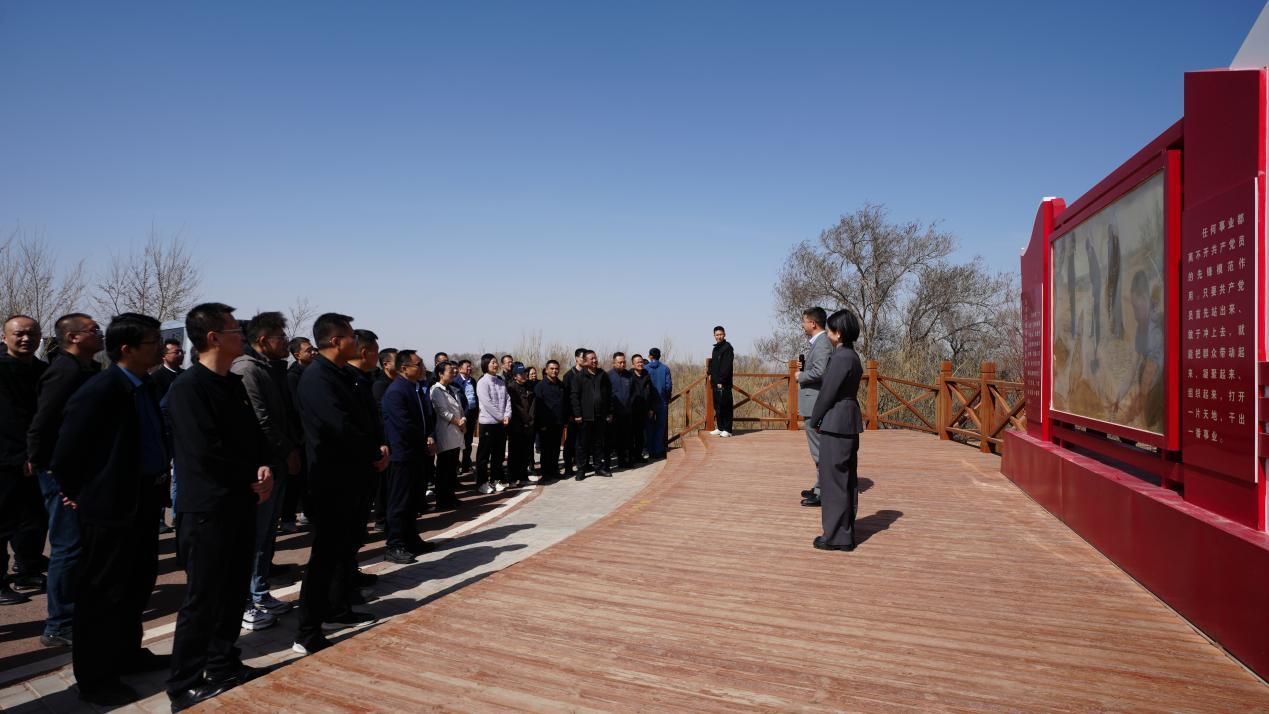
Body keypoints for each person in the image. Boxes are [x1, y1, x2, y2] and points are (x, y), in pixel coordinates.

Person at [51, 313, 168, 706]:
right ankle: (96, 678)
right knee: (102, 594)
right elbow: (66, 452)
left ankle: (126, 655)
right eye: (152, 341)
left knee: (136, 584)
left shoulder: (145, 384)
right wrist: (80, 493)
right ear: (127, 349)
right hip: (111, 506)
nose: (160, 346)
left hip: (143, 500)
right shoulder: (100, 390)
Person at [166, 303, 274, 710]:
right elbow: (204, 452)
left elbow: (253, 438)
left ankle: (223, 664)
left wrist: (263, 466)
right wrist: (249, 474)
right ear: (213, 337)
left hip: (240, 501)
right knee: (203, 599)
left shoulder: (232, 383)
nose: (241, 335)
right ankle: (184, 684)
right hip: (207, 509)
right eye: (234, 330)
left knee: (232, 593)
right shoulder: (188, 388)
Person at [292, 314, 384, 656]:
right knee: (325, 557)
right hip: (331, 479)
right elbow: (339, 426)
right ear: (335, 341)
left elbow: (363, 419)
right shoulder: (318, 377)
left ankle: (337, 609)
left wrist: (376, 449)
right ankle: (308, 631)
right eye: (350, 337)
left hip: (353, 475)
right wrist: (373, 451)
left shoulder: (342, 374)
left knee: (344, 551)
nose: (355, 343)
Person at [27, 313, 103, 645]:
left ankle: (76, 612)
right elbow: (43, 421)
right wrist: (46, 466)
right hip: (61, 471)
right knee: (67, 546)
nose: (100, 334)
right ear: (72, 337)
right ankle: (58, 624)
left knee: (80, 544)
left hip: (81, 470)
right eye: (93, 330)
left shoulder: (86, 369)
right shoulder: (64, 371)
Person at [230, 312, 301, 632]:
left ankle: (260, 592)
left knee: (266, 537)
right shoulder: (246, 370)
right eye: (280, 338)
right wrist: (286, 450)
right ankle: (245, 600)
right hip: (263, 466)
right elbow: (262, 420)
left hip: (277, 464)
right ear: (262, 341)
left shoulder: (269, 369)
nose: (285, 343)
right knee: (253, 538)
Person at [0, 315, 47, 607]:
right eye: (19, 334)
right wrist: (23, 455)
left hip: (35, 458)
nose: (26, 338)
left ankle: (28, 569)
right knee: (2, 523)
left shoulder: (42, 370)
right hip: (6, 459)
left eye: (32, 333)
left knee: (34, 519)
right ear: (5, 337)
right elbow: (9, 419)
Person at [808, 309, 864, 552]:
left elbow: (827, 393)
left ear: (838, 333)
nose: (827, 334)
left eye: (830, 330)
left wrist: (815, 419)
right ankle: (844, 531)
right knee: (846, 480)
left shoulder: (840, 357)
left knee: (833, 482)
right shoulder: (853, 356)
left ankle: (836, 536)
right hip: (848, 420)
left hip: (836, 423)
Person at [381, 350, 436, 564]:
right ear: (404, 368)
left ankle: (411, 539)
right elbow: (404, 425)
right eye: (418, 364)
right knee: (400, 501)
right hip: (402, 454)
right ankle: (394, 544)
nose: (422, 368)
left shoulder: (415, 388)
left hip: (416, 452)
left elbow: (425, 418)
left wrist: (429, 436)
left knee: (414, 500)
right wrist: (423, 439)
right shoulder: (396, 391)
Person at [280, 337, 317, 532]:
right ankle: (288, 518)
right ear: (297, 355)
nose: (313, 352)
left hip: (311, 434)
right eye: (309, 350)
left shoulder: (314, 372)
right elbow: (296, 408)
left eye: (313, 349)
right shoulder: (292, 377)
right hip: (299, 435)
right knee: (295, 480)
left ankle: (309, 512)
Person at [796, 307, 831, 508]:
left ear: (813, 323)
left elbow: (820, 372)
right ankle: (819, 487)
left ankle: (823, 492)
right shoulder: (818, 343)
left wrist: (801, 376)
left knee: (819, 450)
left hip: (815, 405)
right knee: (817, 449)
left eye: (805, 321)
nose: (803, 325)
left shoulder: (823, 343)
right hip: (812, 404)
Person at [570, 350, 613, 479]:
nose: (594, 360)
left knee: (598, 443)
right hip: (585, 417)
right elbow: (574, 396)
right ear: (585, 361)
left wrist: (609, 412)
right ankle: (581, 470)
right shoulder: (579, 377)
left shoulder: (603, 375)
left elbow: (609, 395)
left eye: (595, 358)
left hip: (600, 416)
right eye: (591, 359)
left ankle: (598, 468)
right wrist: (577, 414)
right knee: (583, 444)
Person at [429, 360, 465, 509]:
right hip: (446, 432)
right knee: (444, 468)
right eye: (450, 371)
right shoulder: (436, 390)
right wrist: (458, 422)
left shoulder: (452, 389)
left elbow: (460, 408)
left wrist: (463, 420)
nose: (453, 373)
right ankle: (442, 500)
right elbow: (442, 411)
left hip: (456, 431)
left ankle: (451, 496)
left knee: (451, 468)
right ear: (440, 374)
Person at [475, 354, 511, 494]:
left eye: (496, 362)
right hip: (488, 423)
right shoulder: (482, 382)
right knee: (484, 455)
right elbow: (487, 403)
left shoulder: (500, 381)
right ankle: (482, 483)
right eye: (492, 363)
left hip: (501, 424)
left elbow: (507, 399)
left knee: (498, 454)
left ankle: (496, 480)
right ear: (485, 365)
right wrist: (501, 417)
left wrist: (507, 415)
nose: (495, 365)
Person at [534, 360, 567, 483]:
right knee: (546, 450)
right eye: (552, 368)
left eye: (556, 368)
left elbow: (565, 403)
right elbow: (537, 407)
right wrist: (541, 424)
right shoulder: (541, 386)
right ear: (546, 370)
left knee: (556, 449)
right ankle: (545, 473)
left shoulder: (561, 385)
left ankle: (554, 471)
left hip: (558, 422)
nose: (554, 371)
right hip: (545, 424)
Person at [506, 363, 536, 485]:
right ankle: (512, 478)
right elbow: (516, 407)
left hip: (529, 425)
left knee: (525, 452)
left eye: (525, 373)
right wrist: (526, 420)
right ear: (514, 376)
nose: (524, 376)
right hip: (516, 425)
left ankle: (523, 477)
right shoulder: (511, 388)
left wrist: (531, 420)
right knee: (514, 453)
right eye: (521, 374)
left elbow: (533, 405)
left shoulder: (529, 386)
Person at [560, 348, 586, 475]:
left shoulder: (588, 374)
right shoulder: (568, 376)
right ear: (576, 358)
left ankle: (583, 464)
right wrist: (570, 414)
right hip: (573, 415)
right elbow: (566, 398)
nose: (584, 359)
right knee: (570, 441)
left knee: (583, 441)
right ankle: (568, 467)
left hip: (586, 414)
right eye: (582, 357)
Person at [607, 352, 634, 468]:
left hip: (627, 413)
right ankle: (607, 464)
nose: (622, 364)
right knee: (612, 439)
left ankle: (623, 461)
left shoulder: (629, 376)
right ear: (614, 363)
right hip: (613, 414)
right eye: (619, 362)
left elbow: (633, 393)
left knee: (625, 438)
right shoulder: (608, 376)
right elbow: (606, 395)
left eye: (624, 362)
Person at [644, 347, 672, 459]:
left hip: (648, 403)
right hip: (662, 401)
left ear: (650, 356)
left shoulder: (645, 369)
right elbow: (668, 386)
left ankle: (650, 450)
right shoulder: (665, 369)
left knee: (649, 426)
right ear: (660, 356)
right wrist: (667, 397)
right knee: (660, 426)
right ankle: (658, 450)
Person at [709, 326, 734, 437]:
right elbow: (713, 364)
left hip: (724, 383)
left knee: (726, 405)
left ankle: (727, 430)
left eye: (721, 334)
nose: (719, 336)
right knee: (718, 406)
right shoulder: (715, 349)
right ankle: (720, 427)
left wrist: (721, 380)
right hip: (715, 382)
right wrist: (710, 373)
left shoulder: (727, 348)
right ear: (714, 336)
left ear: (724, 334)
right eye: (717, 335)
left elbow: (726, 366)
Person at [454, 359, 479, 473]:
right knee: (457, 442)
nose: (470, 368)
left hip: (472, 415)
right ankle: (455, 465)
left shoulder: (472, 380)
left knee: (468, 442)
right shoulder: (455, 382)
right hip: (460, 417)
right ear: (460, 369)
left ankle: (466, 464)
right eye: (467, 366)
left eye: (470, 366)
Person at [629, 354, 652, 463]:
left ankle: (638, 455)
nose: (640, 364)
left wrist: (650, 408)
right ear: (633, 364)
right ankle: (630, 456)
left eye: (641, 362)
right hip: (631, 410)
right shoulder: (628, 375)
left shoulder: (646, 374)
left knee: (640, 435)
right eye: (637, 362)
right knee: (630, 435)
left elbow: (650, 393)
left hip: (643, 409)